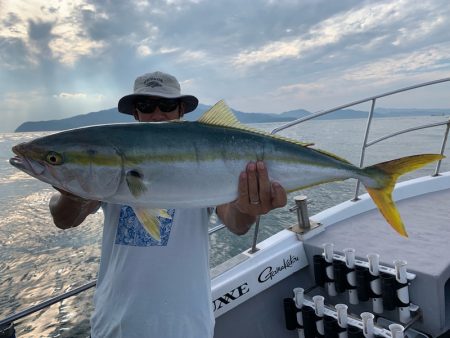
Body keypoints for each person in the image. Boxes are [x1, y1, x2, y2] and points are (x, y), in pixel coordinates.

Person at [49, 71, 287, 338]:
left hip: (186, 327)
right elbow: (64, 219)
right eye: (147, 106)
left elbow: (236, 222)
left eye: (167, 105)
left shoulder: (205, 155)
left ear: (181, 110)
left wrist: (248, 207)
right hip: (112, 325)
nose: (157, 114)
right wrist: (72, 191)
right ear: (136, 113)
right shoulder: (111, 159)